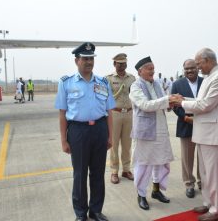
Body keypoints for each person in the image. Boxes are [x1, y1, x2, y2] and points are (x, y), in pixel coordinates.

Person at [55, 42, 115, 221]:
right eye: (85, 59)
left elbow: (109, 111)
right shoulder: (66, 83)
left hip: (99, 129)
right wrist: (64, 140)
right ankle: (80, 213)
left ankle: (95, 211)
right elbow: (62, 113)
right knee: (79, 174)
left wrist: (110, 136)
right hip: (78, 131)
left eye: (91, 59)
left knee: (98, 173)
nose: (89, 62)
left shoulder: (103, 82)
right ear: (77, 61)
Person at [176, 48, 218, 221]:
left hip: (213, 134)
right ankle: (208, 203)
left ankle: (217, 209)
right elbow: (199, 102)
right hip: (204, 132)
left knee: (212, 173)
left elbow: (205, 105)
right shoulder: (209, 77)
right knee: (205, 173)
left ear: (207, 60)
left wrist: (181, 102)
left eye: (199, 64)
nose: (198, 68)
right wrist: (182, 99)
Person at [129, 56, 180, 211]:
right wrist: (167, 100)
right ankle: (141, 194)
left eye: (153, 68)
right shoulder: (136, 86)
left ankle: (156, 191)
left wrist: (171, 103)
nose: (153, 71)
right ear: (140, 71)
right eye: (149, 68)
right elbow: (145, 105)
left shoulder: (157, 83)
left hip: (161, 129)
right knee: (144, 164)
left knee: (161, 161)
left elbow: (162, 102)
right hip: (145, 131)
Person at [171, 59, 203, 198]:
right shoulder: (177, 84)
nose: (189, 71)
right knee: (187, 158)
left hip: (203, 124)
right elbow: (174, 104)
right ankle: (189, 183)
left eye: (192, 68)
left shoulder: (205, 83)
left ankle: (203, 181)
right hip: (186, 124)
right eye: (186, 69)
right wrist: (185, 117)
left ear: (198, 68)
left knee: (203, 156)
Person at [106, 53, 136, 184]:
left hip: (129, 113)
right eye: (119, 63)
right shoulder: (108, 79)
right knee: (113, 144)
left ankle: (126, 169)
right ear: (114, 64)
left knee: (127, 144)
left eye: (124, 63)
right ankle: (114, 171)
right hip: (115, 113)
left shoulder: (132, 78)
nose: (122, 66)